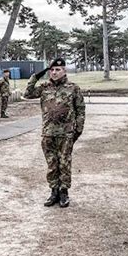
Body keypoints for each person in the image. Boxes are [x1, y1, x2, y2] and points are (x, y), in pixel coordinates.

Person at [23, 57, 86, 207]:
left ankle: (64, 192)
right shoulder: (44, 87)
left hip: (66, 134)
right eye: (51, 70)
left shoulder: (73, 88)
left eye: (58, 69)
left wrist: (78, 129)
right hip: (48, 133)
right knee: (52, 164)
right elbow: (28, 93)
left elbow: (80, 110)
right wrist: (36, 76)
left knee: (64, 163)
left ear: (64, 71)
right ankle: (53, 192)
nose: (54, 72)